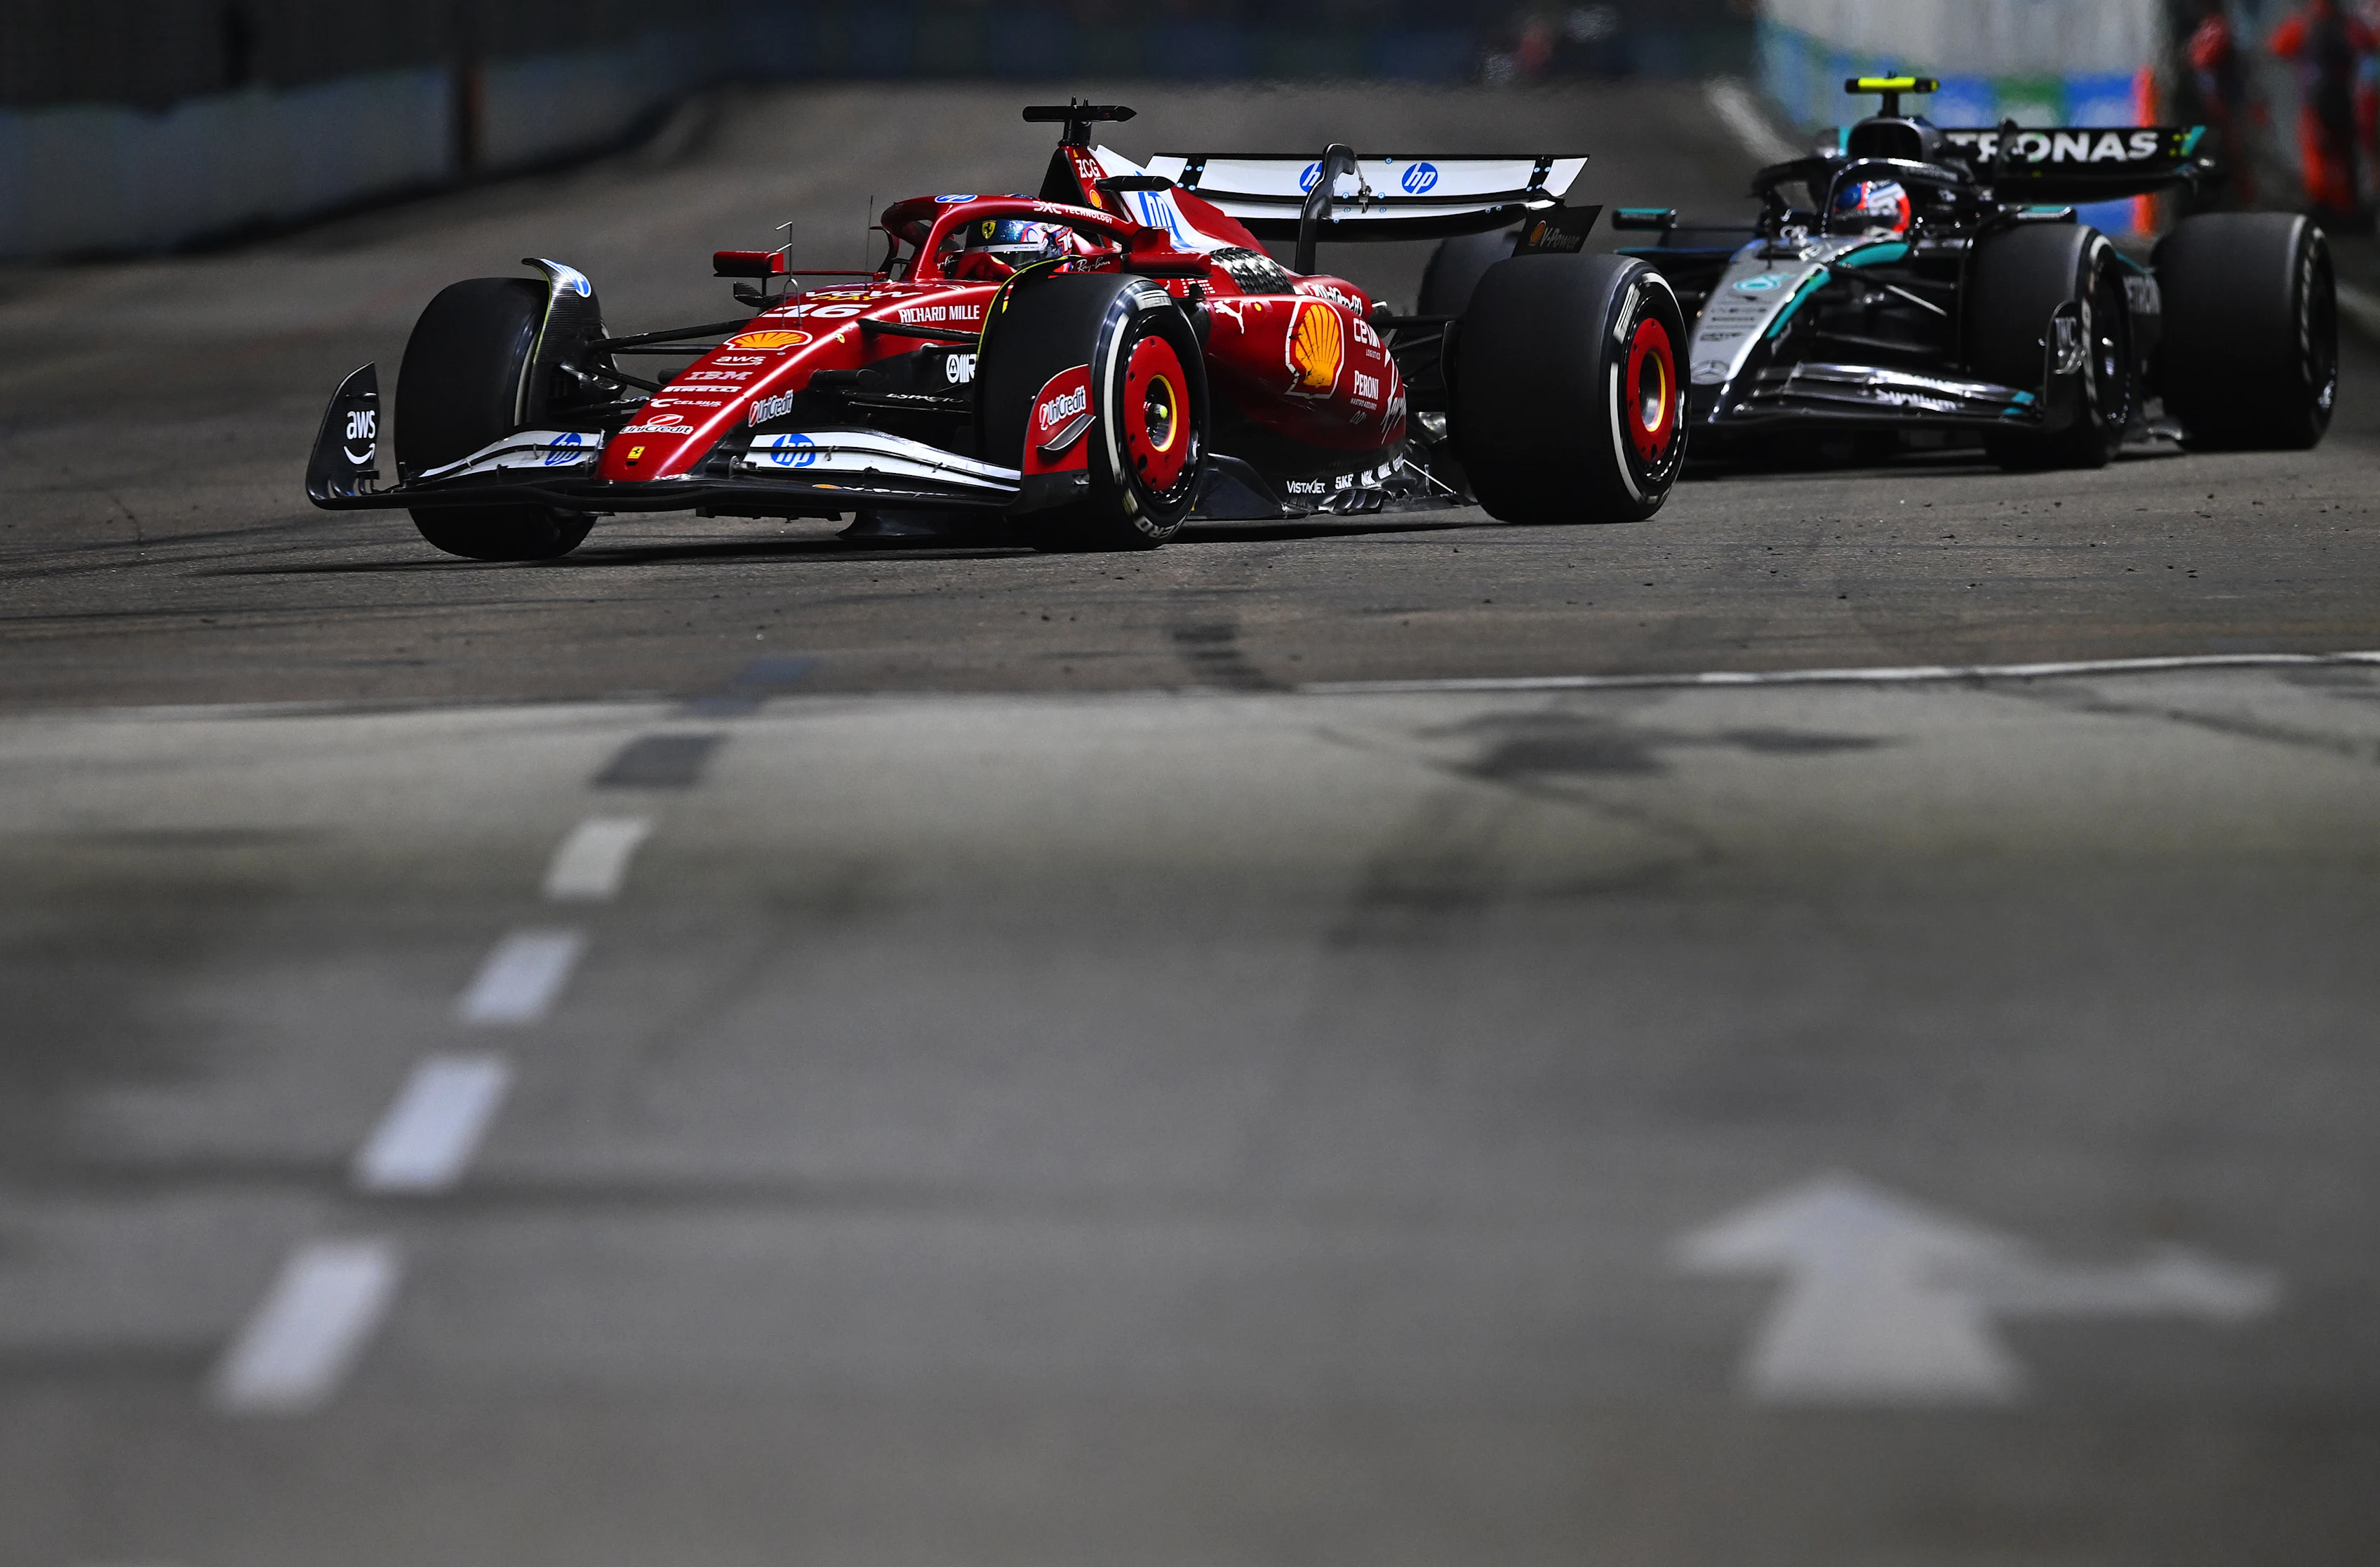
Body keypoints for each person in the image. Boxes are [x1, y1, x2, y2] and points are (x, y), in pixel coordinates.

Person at [2270, 0, 2377, 218]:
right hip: (2339, 98)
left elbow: (2277, 47)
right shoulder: (2347, 24)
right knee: (2340, 153)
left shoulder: (2304, 23)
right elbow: (2368, 44)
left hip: (2318, 100)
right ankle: (2343, 204)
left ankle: (2326, 203)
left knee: (2320, 152)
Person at [2188, 0, 2259, 204]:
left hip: (2226, 105)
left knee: (2234, 154)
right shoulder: (2206, 29)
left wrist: (2193, 54)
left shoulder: (2219, 29)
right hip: (2210, 105)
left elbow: (2203, 58)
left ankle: (2242, 200)